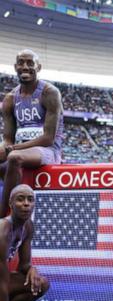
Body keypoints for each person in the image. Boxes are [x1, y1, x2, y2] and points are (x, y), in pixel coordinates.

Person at [0, 49, 64, 218]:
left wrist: (12, 149)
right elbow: (7, 138)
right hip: (19, 148)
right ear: (15, 67)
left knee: (14, 158)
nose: (25, 67)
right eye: (21, 63)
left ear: (39, 67)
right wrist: (4, 147)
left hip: (47, 151)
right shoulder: (10, 99)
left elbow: (48, 138)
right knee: (7, 159)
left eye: (30, 63)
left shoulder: (49, 92)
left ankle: (4, 215)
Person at [0, 184, 49, 301]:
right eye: (20, 199)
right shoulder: (3, 230)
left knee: (40, 284)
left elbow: (24, 265)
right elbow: (2, 285)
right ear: (10, 203)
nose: (26, 204)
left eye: (30, 199)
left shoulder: (28, 226)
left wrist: (31, 268)